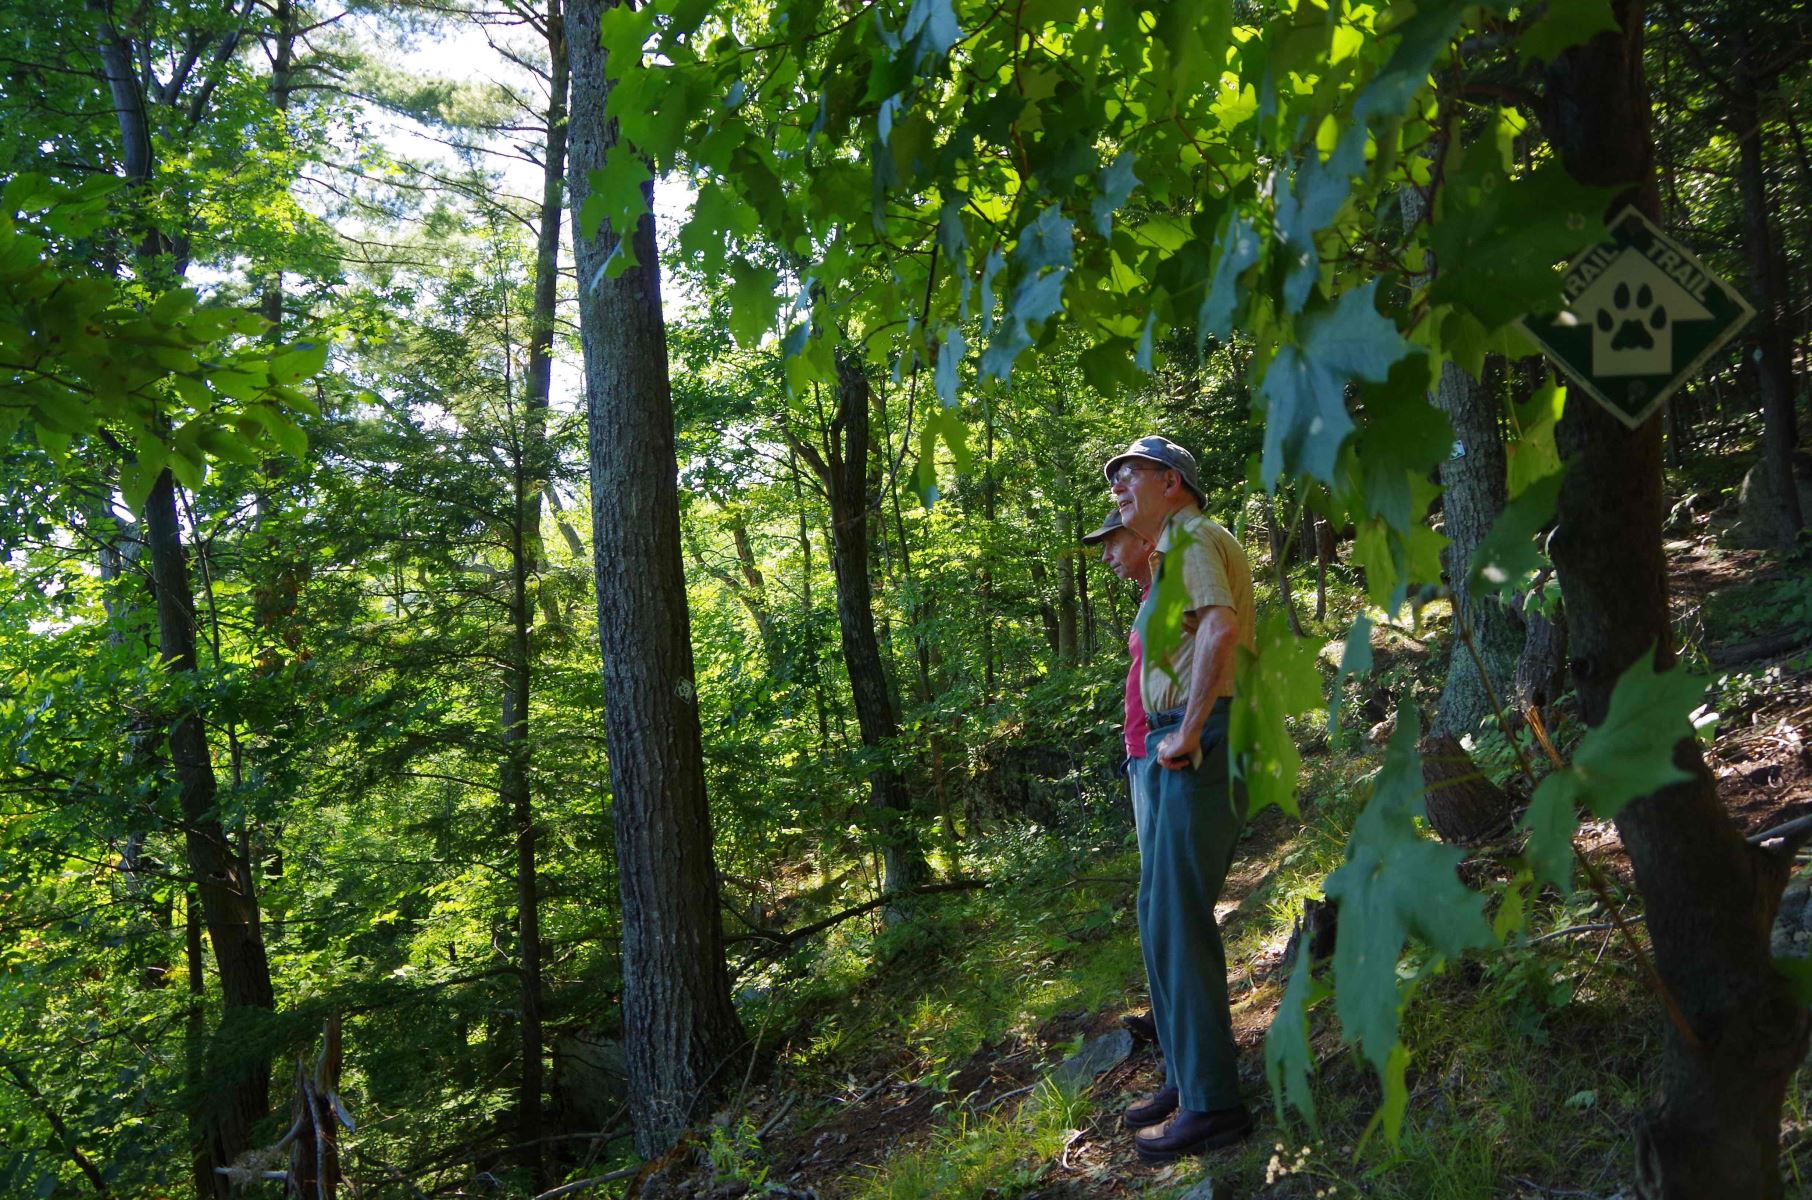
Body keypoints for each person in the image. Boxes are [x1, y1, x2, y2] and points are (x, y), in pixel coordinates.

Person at [1105, 435, 1257, 1160]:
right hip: (1182, 740)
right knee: (1159, 914)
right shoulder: (1172, 550)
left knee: (1178, 916)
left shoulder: (1193, 534)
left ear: (1172, 481)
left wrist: (1188, 731)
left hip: (1197, 740)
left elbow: (1222, 629)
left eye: (1126, 476)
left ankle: (1212, 1105)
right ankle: (1187, 1076)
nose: (1117, 491)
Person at [1079, 506, 1160, 1045]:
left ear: (1142, 536)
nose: (1105, 555)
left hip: (1158, 750)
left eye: (1112, 542)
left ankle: (1177, 1020)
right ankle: (1169, 1011)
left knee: (1161, 895)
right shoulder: (1148, 595)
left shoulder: (1176, 584)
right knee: (1153, 892)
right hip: (1141, 751)